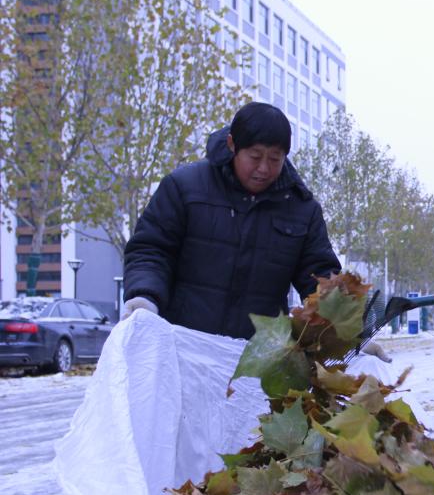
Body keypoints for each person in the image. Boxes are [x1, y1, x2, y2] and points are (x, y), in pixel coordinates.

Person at [121, 102, 390, 361]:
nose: (264, 168)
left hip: (258, 360)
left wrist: (350, 333)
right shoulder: (185, 188)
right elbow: (151, 249)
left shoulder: (301, 210)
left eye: (274, 159)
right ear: (232, 145)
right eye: (255, 156)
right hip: (182, 349)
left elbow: (320, 279)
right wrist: (145, 296)